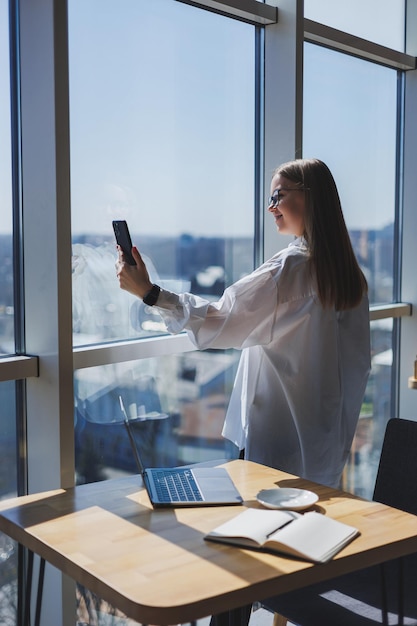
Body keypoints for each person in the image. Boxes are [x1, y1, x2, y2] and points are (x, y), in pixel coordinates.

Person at [116, 158, 371, 490]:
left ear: (309, 196)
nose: (270, 207)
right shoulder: (351, 278)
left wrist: (150, 294)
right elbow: (356, 367)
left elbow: (220, 320)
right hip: (326, 442)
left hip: (280, 446)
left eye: (278, 196)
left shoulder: (290, 270)